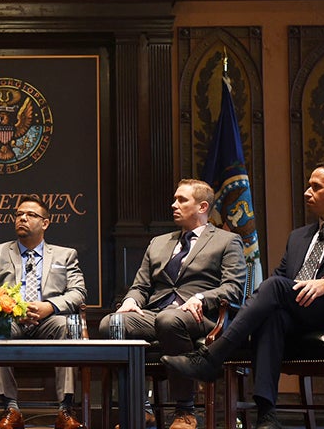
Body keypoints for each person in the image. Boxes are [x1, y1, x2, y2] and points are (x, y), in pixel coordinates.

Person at [161, 159, 324, 429]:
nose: (307, 192)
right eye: (307, 186)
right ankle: (267, 415)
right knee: (271, 316)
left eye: (316, 187)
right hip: (300, 312)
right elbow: (281, 279)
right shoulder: (299, 236)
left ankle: (212, 357)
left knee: (274, 287)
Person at [98, 178, 246, 429]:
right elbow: (141, 286)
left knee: (170, 319)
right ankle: (138, 408)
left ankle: (185, 411)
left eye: (181, 200)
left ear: (202, 207)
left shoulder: (226, 241)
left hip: (200, 316)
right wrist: (131, 301)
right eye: (175, 199)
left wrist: (200, 298)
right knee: (111, 323)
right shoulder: (159, 242)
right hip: (155, 312)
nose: (173, 204)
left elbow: (234, 288)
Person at [0, 195, 88, 429]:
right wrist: (13, 308)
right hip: (11, 320)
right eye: (18, 214)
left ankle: (65, 409)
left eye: (30, 215)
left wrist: (50, 306)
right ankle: (11, 409)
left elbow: (78, 293)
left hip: (48, 320)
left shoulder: (65, 255)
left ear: (45, 223)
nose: (22, 218)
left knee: (66, 326)